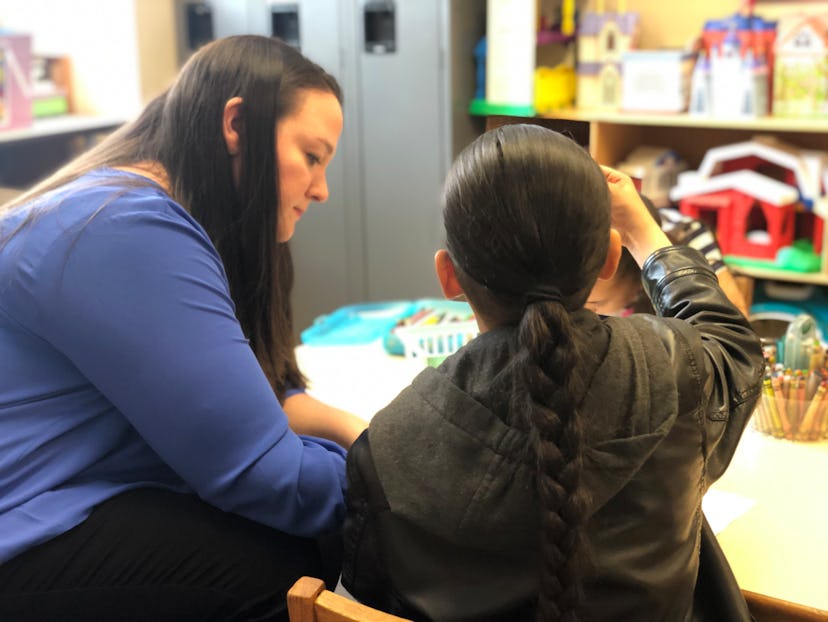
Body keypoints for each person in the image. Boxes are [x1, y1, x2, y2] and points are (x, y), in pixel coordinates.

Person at [0, 35, 367, 621]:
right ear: (236, 123)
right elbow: (261, 473)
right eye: (312, 156)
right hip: (18, 530)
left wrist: (354, 431)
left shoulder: (133, 207)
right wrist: (406, 483)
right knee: (288, 562)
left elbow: (256, 398)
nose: (321, 189)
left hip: (55, 492)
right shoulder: (124, 227)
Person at [341, 125, 764, 621]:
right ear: (609, 258)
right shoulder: (678, 373)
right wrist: (645, 234)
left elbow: (367, 602)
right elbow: (735, 346)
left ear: (449, 276)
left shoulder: (385, 448)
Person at [587, 195, 750, 317]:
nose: (584, 314)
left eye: (596, 303)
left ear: (639, 277)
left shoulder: (687, 239)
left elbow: (735, 319)